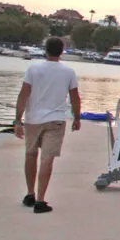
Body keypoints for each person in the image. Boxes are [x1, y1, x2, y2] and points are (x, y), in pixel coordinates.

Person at [14, 36, 81, 213]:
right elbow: (75, 97)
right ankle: (41, 200)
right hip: (56, 119)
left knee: (30, 154)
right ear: (62, 51)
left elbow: (23, 95)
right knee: (47, 158)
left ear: (45, 50)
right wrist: (77, 118)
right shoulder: (68, 72)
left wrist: (17, 119)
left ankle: (30, 194)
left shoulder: (33, 69)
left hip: (33, 119)